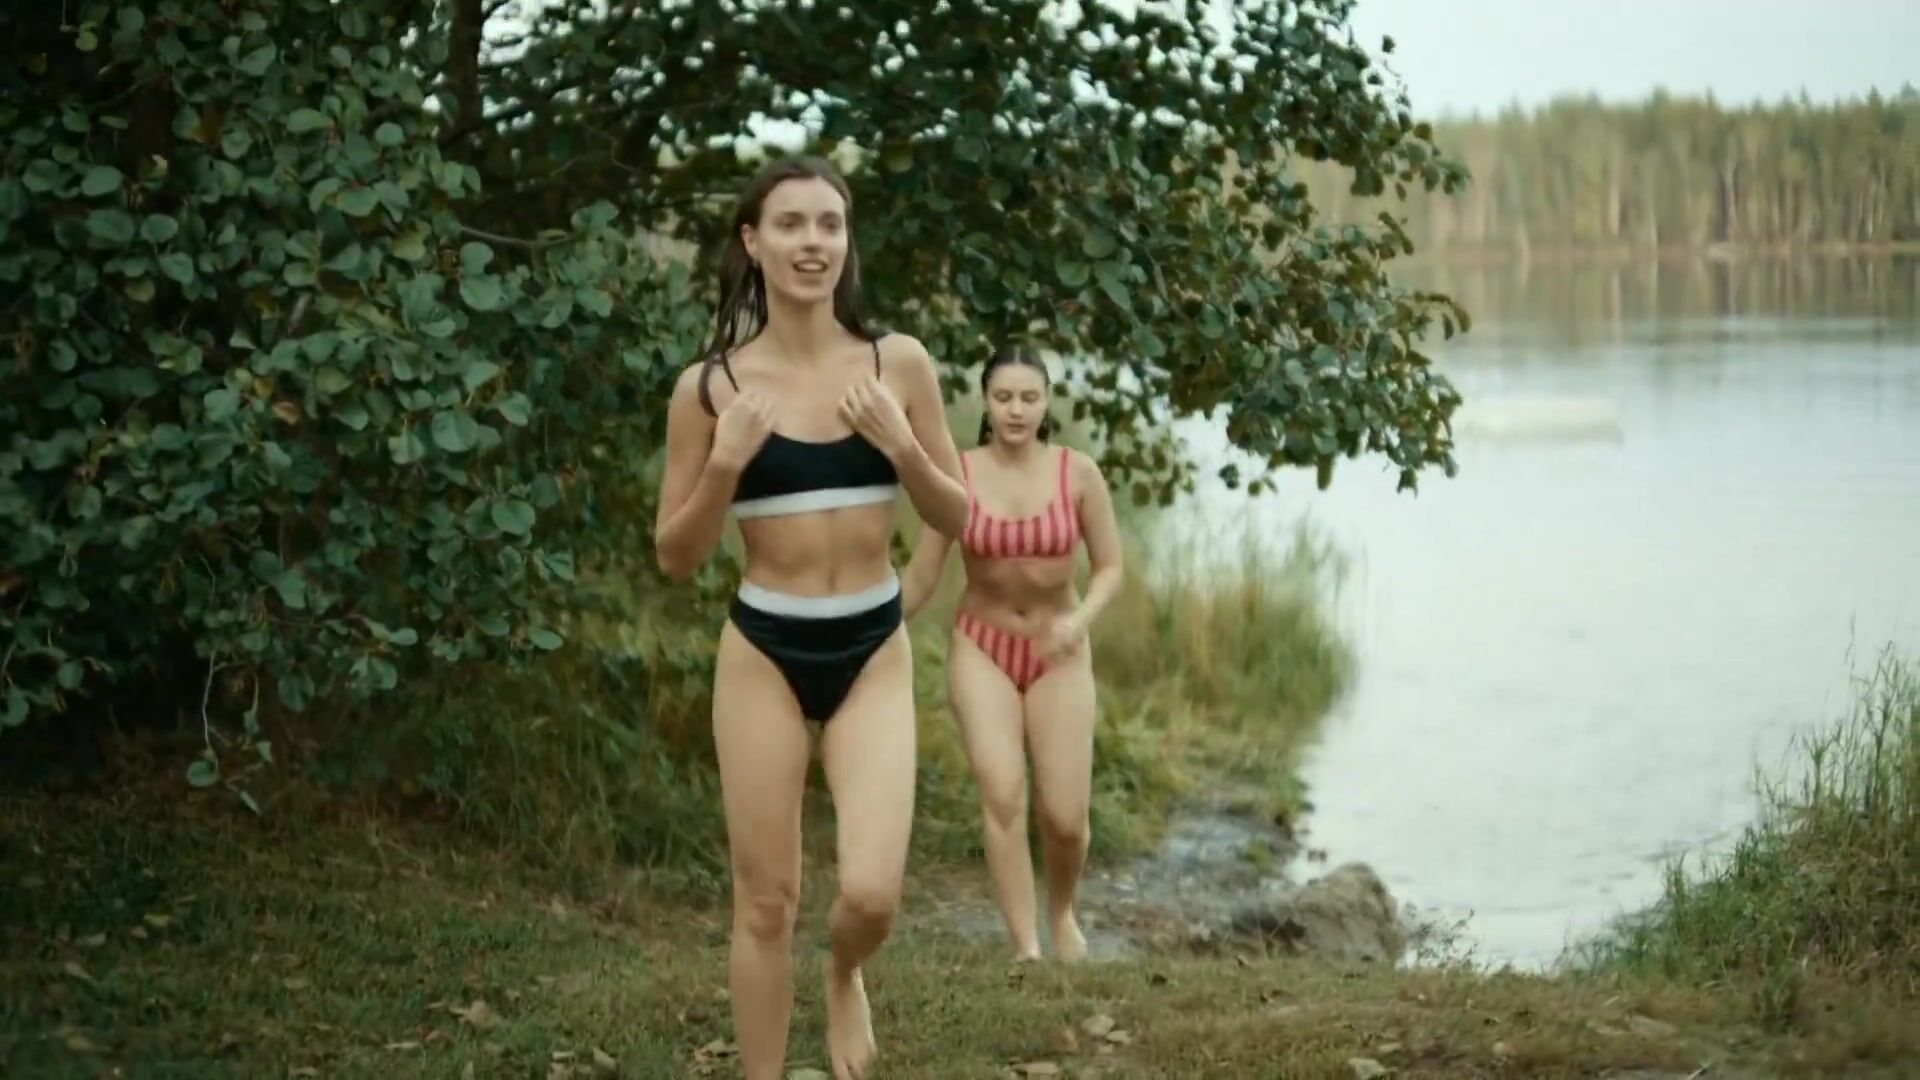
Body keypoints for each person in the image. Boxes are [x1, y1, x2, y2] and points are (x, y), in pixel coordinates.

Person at [653, 155, 969, 1080]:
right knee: (765, 902)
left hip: (871, 648)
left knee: (870, 895)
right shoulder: (708, 389)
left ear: (846, 241)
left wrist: (902, 446)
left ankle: (843, 973)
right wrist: (726, 463)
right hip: (764, 649)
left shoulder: (896, 363)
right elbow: (675, 556)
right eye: (791, 224)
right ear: (753, 243)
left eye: (830, 224)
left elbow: (956, 515)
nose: (813, 242)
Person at [899, 344, 1124, 963]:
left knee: (1065, 818)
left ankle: (1062, 910)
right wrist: (862, 629)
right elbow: (921, 577)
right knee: (1002, 794)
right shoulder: (958, 474)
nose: (1016, 410)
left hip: (1060, 649)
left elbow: (1110, 567)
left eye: (1029, 397)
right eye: (1003, 398)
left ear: (1046, 403)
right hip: (983, 645)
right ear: (986, 403)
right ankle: (1026, 949)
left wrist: (1079, 621)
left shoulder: (1078, 473)